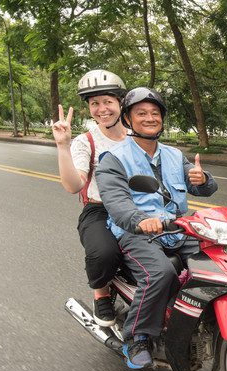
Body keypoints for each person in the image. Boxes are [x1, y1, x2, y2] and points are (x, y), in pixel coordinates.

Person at [96, 87, 217, 370]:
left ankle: (206, 318)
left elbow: (203, 187)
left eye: (155, 113)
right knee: (160, 273)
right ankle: (137, 338)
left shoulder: (174, 155)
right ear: (128, 119)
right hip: (137, 233)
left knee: (219, 261)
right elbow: (116, 202)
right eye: (141, 113)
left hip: (176, 229)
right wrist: (139, 220)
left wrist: (203, 179)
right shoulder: (114, 158)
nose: (150, 118)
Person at [51, 69, 128, 327]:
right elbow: (74, 185)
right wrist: (63, 145)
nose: (102, 109)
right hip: (100, 210)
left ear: (120, 103)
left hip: (135, 208)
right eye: (95, 103)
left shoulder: (137, 137)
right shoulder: (86, 142)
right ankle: (101, 293)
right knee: (103, 253)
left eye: (107, 101)